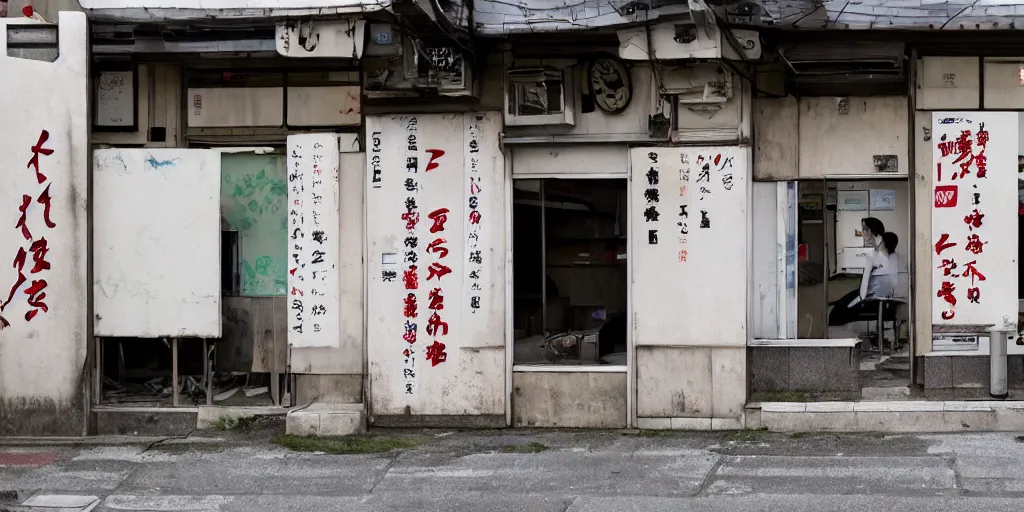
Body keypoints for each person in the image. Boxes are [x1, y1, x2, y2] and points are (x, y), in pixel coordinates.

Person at [828, 218, 898, 326]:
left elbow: (863, 294)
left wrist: (853, 304)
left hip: (872, 300)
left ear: (870, 231)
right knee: (842, 302)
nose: (862, 233)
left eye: (864, 229)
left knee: (838, 311)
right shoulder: (890, 256)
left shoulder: (874, 257)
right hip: (884, 299)